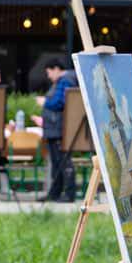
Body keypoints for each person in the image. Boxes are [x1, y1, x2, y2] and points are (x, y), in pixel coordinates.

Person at [38, 57, 77, 203]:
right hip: (55, 129)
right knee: (57, 163)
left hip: (59, 130)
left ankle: (68, 194)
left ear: (56, 69)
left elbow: (59, 102)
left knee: (63, 162)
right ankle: (55, 194)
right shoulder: (64, 80)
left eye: (49, 72)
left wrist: (45, 102)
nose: (48, 76)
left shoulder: (65, 80)